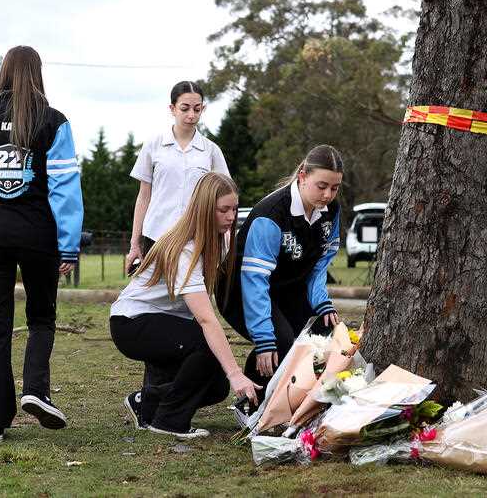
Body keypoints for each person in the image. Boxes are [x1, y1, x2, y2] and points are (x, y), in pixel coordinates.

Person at [0, 46, 84, 444]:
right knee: (41, 318)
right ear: (37, 73)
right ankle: (35, 389)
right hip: (38, 235)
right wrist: (68, 246)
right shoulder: (55, 121)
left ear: (3, 73)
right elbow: (65, 186)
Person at [110, 172, 260, 439]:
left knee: (216, 387)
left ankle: (146, 403)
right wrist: (236, 372)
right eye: (223, 210)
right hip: (132, 323)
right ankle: (168, 422)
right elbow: (205, 319)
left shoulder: (221, 239)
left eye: (234, 209)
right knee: (206, 345)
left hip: (166, 322)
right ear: (203, 210)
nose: (231, 216)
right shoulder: (185, 249)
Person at [218, 145, 343, 405]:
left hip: (285, 289)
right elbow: (255, 281)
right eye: (321, 186)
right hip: (240, 289)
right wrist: (264, 339)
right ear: (302, 175)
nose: (328, 194)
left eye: (335, 187)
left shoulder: (332, 210)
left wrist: (320, 300)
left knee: (323, 331)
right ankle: (251, 403)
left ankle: (296, 401)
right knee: (280, 341)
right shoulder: (271, 214)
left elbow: (320, 263)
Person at [125, 81, 229, 270]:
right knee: (153, 296)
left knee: (191, 295)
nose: (191, 115)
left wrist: (225, 238)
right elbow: (144, 195)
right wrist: (134, 243)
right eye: (185, 108)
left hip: (196, 239)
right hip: (156, 236)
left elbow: (224, 198)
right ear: (172, 108)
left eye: (197, 109)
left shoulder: (212, 151)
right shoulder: (153, 145)